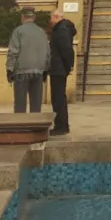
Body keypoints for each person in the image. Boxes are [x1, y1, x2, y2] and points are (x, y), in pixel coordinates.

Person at [5, 6, 50, 113]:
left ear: (22, 17)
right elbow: (47, 53)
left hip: (21, 72)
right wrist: (45, 69)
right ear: (34, 17)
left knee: (20, 104)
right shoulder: (42, 32)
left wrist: (9, 69)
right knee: (36, 104)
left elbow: (13, 51)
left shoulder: (18, 31)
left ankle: (20, 123)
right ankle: (35, 123)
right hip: (38, 72)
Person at [47, 8, 76, 137]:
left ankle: (62, 126)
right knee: (57, 98)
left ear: (56, 17)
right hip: (58, 67)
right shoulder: (61, 29)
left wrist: (68, 65)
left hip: (59, 68)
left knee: (58, 98)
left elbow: (66, 50)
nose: (50, 20)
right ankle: (60, 125)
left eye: (51, 17)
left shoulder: (61, 29)